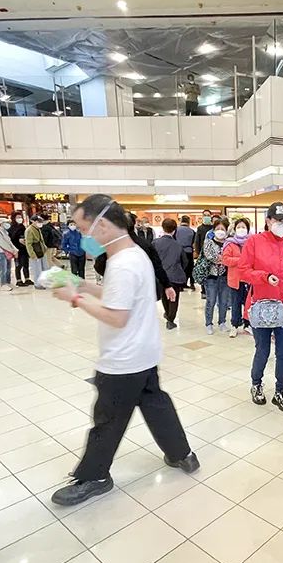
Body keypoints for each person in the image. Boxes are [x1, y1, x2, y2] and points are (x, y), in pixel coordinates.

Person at [49, 195, 199, 506]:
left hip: (123, 359)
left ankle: (94, 477)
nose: (82, 236)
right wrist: (84, 286)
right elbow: (119, 295)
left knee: (107, 420)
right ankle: (182, 454)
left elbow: (117, 316)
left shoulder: (123, 264)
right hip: (144, 352)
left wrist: (74, 298)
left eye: (83, 229)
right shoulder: (134, 254)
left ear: (102, 225)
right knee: (156, 404)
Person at [240, 202, 283, 411]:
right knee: (262, 350)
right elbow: (243, 271)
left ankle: (280, 391)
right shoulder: (254, 242)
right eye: (279, 221)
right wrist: (264, 276)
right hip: (261, 306)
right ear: (268, 221)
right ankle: (256, 384)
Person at [153, 218, 187, 330]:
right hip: (175, 274)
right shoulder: (178, 245)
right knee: (174, 298)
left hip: (160, 275)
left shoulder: (155, 243)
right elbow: (184, 261)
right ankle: (170, 319)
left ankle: (167, 314)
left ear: (162, 228)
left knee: (164, 296)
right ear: (174, 230)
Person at [221, 217, 250, 338]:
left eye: (243, 227)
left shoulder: (251, 242)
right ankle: (235, 325)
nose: (241, 229)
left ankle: (248, 324)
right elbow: (225, 259)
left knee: (248, 303)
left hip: (249, 279)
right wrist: (240, 260)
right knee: (235, 303)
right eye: (239, 227)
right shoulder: (230, 243)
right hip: (235, 280)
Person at [202, 217, 231, 335]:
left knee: (224, 301)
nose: (220, 231)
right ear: (213, 230)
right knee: (211, 301)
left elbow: (231, 257)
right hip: (211, 277)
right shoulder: (208, 242)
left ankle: (222, 322)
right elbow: (209, 255)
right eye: (218, 229)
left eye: (222, 229)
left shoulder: (229, 243)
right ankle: (208, 324)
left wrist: (223, 259)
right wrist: (223, 259)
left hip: (225, 276)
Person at [0, 217, 17, 291]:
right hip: (1, 252)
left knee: (8, 268)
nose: (8, 224)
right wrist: (12, 251)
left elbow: (9, 242)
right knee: (3, 269)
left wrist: (15, 249)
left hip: (8, 252)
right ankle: (3, 284)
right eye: (6, 223)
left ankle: (8, 282)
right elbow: (2, 244)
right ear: (1, 224)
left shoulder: (5, 232)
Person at [9, 212, 32, 286]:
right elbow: (11, 238)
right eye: (18, 217)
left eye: (20, 217)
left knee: (26, 264)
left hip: (24, 248)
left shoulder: (22, 226)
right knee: (18, 265)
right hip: (17, 249)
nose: (20, 219)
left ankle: (27, 278)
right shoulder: (12, 228)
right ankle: (18, 280)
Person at [25, 214, 47, 289]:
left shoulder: (38, 229)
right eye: (38, 221)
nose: (40, 223)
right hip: (35, 252)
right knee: (37, 269)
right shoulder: (29, 230)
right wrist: (32, 255)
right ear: (33, 221)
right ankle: (38, 284)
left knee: (43, 268)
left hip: (41, 251)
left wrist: (45, 248)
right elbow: (28, 244)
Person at [194, 209, 213, 299]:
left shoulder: (213, 228)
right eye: (205, 215)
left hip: (212, 254)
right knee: (203, 272)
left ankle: (211, 291)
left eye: (208, 215)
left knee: (211, 273)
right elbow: (197, 241)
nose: (206, 217)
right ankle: (203, 291)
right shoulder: (200, 228)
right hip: (203, 254)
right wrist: (198, 253)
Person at [176, 215, 196, 288]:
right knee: (190, 268)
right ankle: (192, 283)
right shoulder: (192, 231)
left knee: (180, 267)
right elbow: (194, 243)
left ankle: (180, 284)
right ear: (189, 222)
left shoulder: (176, 230)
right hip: (188, 251)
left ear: (181, 221)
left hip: (178, 251)